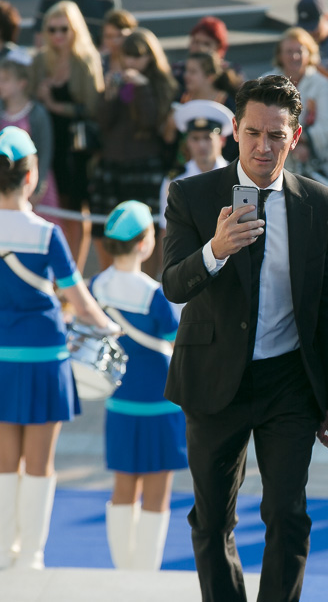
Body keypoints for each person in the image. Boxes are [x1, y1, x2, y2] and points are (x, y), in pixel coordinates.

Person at [162, 75, 328, 602]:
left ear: (295, 137)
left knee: (287, 514)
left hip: (288, 380)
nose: (263, 147)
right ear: (234, 131)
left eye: (276, 135)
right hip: (213, 376)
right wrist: (215, 250)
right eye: (252, 133)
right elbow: (173, 284)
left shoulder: (320, 203)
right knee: (212, 520)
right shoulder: (192, 195)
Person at [0, 126, 116, 570]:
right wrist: (111, 327)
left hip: (3, 358)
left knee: (5, 463)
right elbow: (80, 303)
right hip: (45, 358)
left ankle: (4, 550)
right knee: (40, 464)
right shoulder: (47, 234)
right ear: (32, 177)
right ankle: (31, 555)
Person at [90, 201, 185, 571]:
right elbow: (178, 342)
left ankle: (122, 573)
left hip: (119, 401)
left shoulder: (96, 286)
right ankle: (145, 577)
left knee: (123, 487)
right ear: (146, 242)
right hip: (162, 403)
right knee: (157, 493)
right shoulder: (154, 293)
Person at [92, 28, 177, 276]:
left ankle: (146, 282)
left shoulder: (160, 84)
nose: (131, 61)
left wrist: (142, 87)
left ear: (150, 56)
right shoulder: (117, 80)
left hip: (144, 166)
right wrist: (109, 94)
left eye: (137, 56)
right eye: (127, 55)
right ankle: (110, 283)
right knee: (110, 228)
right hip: (112, 165)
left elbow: (150, 122)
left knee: (144, 229)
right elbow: (103, 122)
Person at [29, 0, 104, 269]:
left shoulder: (85, 60)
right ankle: (56, 270)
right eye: (52, 29)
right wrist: (41, 98)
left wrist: (55, 104)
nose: (58, 35)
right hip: (48, 141)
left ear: (75, 30)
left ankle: (74, 271)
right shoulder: (39, 60)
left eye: (64, 29)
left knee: (76, 211)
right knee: (53, 206)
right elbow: (29, 100)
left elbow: (93, 107)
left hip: (78, 146)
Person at [270, 27, 328, 184]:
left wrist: (294, 141)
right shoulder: (267, 82)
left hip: (317, 167)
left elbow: (325, 129)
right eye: (289, 51)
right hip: (276, 167)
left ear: (310, 54)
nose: (294, 56)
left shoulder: (322, 84)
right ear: (280, 55)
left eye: (299, 51)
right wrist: (291, 143)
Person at [157, 99, 233, 230]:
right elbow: (166, 229)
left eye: (207, 138)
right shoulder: (175, 180)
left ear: (222, 140)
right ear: (187, 142)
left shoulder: (235, 175)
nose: (201, 145)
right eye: (195, 138)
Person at [1, 55, 56, 213]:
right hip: (4, 187)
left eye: (5, 80)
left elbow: (45, 151)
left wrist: (37, 187)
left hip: (33, 181)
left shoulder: (37, 113)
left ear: (22, 83)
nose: (0, 84)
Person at [175, 51, 240, 162]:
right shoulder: (182, 100)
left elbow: (233, 144)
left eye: (193, 72)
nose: (186, 75)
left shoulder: (227, 103)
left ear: (210, 76)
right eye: (186, 71)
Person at [100, 9, 137, 76]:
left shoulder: (139, 61)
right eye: (109, 36)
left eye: (120, 35)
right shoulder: (99, 63)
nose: (114, 41)